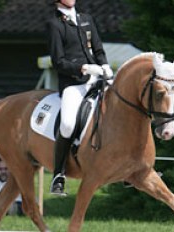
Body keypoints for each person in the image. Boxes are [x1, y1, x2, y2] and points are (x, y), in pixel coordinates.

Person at [48, 0, 113, 195]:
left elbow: (98, 48)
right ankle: (58, 175)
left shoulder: (86, 19)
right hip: (73, 83)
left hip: (97, 77)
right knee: (67, 125)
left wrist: (105, 65)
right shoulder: (55, 24)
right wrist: (82, 68)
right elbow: (58, 61)